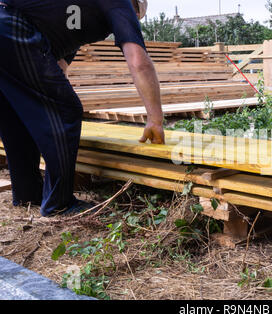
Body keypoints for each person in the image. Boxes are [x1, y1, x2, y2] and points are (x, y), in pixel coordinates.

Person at [0, 0, 165, 216]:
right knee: (67, 111)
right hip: (11, 26)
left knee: (18, 114)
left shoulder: (74, 20)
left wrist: (52, 102)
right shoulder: (119, 3)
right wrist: (155, 119)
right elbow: (138, 61)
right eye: (134, 17)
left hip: (7, 27)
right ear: (134, 8)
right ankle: (59, 204)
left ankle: (27, 194)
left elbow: (58, 67)